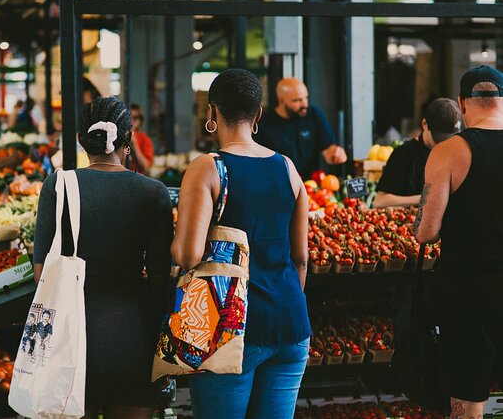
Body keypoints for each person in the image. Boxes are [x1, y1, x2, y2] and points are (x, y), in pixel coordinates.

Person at [172, 69, 310, 418]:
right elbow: (301, 258)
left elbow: (187, 255)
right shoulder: (288, 168)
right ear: (259, 113)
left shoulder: (207, 168)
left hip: (229, 326)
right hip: (290, 322)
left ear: (211, 113)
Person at [33, 97, 173, 419]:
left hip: (70, 339)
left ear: (82, 140)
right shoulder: (153, 193)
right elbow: (157, 280)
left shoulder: (58, 186)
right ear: (128, 138)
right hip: (132, 335)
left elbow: (42, 276)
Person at [416, 65, 503, 419]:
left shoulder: (449, 151)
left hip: (469, 292)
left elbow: (427, 231)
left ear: (462, 103)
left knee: (468, 401)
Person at [373, 98, 462, 208]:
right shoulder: (403, 155)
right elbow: (380, 201)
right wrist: (425, 198)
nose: (444, 144)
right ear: (425, 124)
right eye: (440, 138)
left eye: (449, 138)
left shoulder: (456, 154)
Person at [254, 77, 347, 179]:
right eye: (297, 100)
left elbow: (328, 149)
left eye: (306, 98)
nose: (304, 104)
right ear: (281, 100)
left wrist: (336, 154)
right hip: (278, 185)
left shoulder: (313, 115)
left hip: (311, 185)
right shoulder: (264, 123)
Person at [129, 104, 154, 174]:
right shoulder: (118, 136)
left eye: (135, 117)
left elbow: (146, 168)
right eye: (129, 116)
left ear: (140, 120)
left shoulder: (144, 139)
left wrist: (134, 145)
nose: (132, 120)